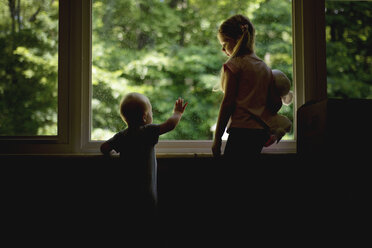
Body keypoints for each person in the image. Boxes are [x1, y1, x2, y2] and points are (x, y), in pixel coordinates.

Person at [100, 92, 187, 246]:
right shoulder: (148, 132)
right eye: (151, 112)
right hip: (147, 194)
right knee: (149, 227)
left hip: (127, 193)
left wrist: (111, 153)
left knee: (131, 228)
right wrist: (177, 113)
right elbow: (170, 125)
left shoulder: (122, 136)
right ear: (145, 116)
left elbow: (104, 147)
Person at [212, 14, 292, 162]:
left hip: (241, 131)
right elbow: (274, 104)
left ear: (237, 40)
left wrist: (217, 139)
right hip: (260, 133)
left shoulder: (235, 65)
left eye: (224, 44)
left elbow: (227, 103)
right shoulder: (264, 67)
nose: (223, 50)